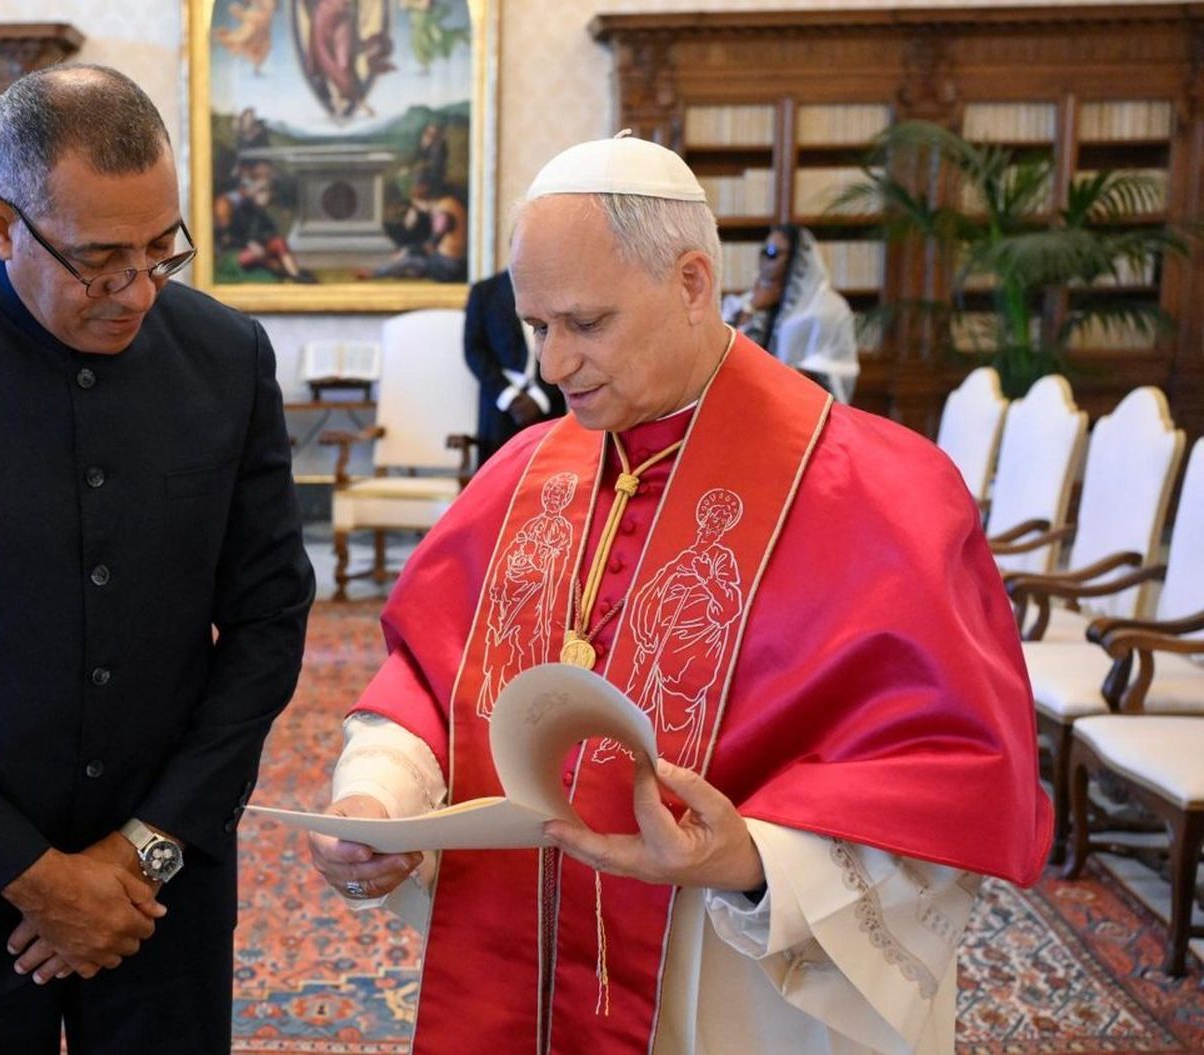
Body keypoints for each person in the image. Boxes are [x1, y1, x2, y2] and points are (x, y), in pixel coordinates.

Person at [306, 136, 1050, 1053]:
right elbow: (427, 679)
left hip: (735, 998)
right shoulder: (524, 471)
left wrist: (746, 862)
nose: (553, 364)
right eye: (537, 326)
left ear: (693, 282)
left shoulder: (882, 493)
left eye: (585, 322)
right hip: (522, 980)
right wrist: (377, 799)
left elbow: (944, 780)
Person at [0, 63, 315, 1054]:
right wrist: (33, 874)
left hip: (163, 887)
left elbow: (268, 619)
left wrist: (145, 848)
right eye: (100, 259)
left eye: (161, 249)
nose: (139, 291)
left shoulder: (229, 357)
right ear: (0, 227)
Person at [723, 225, 860, 402]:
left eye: (772, 252)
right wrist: (753, 308)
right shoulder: (748, 300)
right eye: (763, 251)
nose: (764, 261)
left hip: (801, 408)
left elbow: (833, 373)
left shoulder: (828, 308)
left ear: (799, 259)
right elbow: (726, 354)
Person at [463, 269, 565, 466]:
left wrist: (539, 397)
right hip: (499, 406)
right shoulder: (484, 291)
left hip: (549, 402)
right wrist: (510, 397)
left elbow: (569, 345)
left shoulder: (561, 286)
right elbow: (474, 351)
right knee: (496, 484)